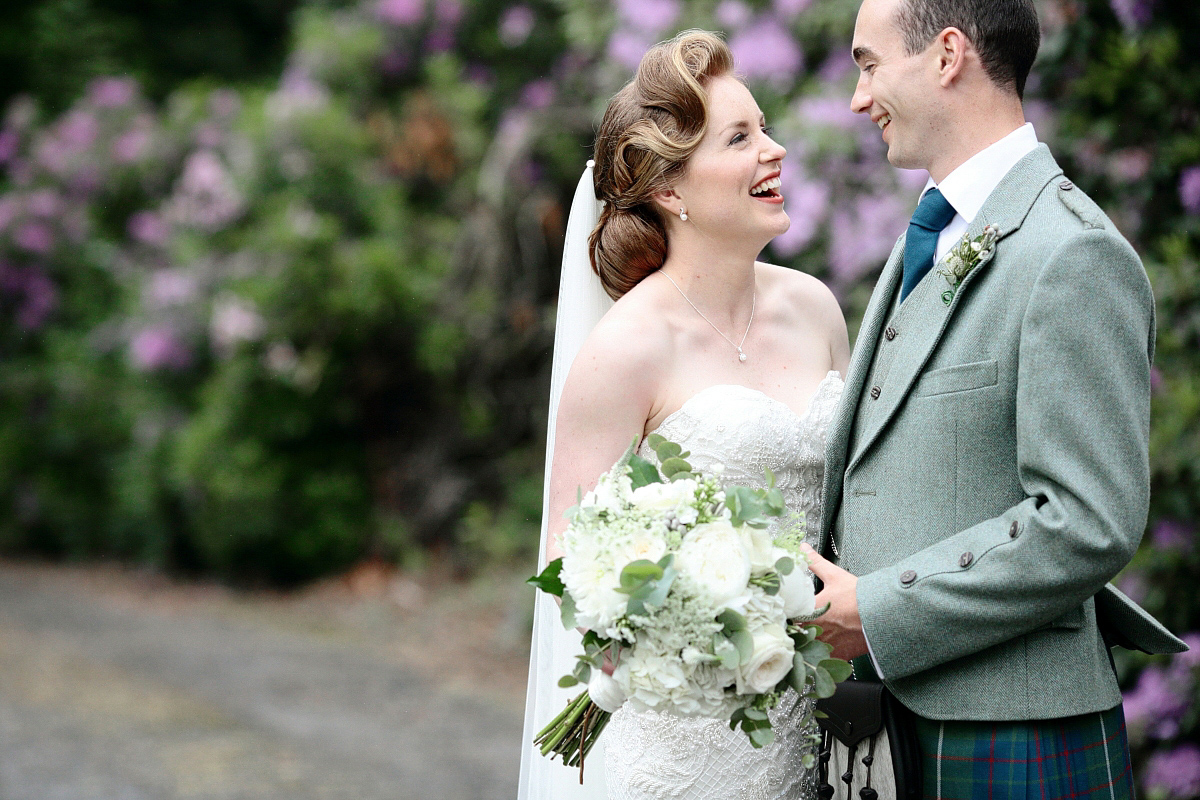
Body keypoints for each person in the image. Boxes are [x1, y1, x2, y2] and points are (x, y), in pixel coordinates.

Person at [804, 0, 1188, 798]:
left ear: (947, 55)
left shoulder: (1071, 252)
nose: (856, 97)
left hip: (1012, 731)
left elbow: (1087, 520)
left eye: (869, 63)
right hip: (892, 720)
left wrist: (879, 610)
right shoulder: (935, 231)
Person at [517, 30, 850, 800]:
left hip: (827, 729)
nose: (775, 151)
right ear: (671, 191)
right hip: (690, 748)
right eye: (741, 137)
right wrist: (692, 620)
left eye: (765, 128)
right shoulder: (626, 348)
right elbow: (573, 565)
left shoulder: (816, 309)